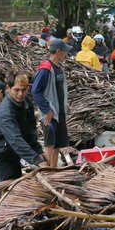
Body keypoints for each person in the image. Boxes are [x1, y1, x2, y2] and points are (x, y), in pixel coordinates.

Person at [0, 71, 43, 180]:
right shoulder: (5, 111)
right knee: (7, 182)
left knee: (16, 178)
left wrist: (38, 151)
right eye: (16, 90)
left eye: (24, 90)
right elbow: (15, 139)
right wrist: (37, 160)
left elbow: (30, 129)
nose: (20, 94)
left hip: (11, 148)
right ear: (8, 88)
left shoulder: (26, 102)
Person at [32, 39, 70, 168]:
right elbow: (36, 91)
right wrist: (47, 111)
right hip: (50, 113)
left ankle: (53, 170)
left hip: (59, 113)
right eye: (64, 51)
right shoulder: (45, 69)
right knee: (49, 144)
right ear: (58, 51)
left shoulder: (59, 68)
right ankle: (46, 172)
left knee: (57, 144)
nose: (66, 54)